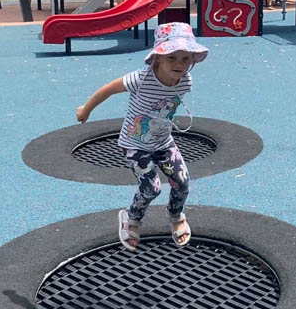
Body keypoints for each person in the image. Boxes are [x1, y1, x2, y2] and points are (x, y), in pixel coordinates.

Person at [75, 23, 209, 251]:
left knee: (183, 183)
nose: (179, 64)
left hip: (163, 143)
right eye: (172, 58)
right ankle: (132, 217)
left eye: (186, 59)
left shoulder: (185, 82)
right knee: (151, 188)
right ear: (157, 58)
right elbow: (108, 89)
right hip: (134, 144)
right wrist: (86, 109)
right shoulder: (141, 79)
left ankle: (175, 215)